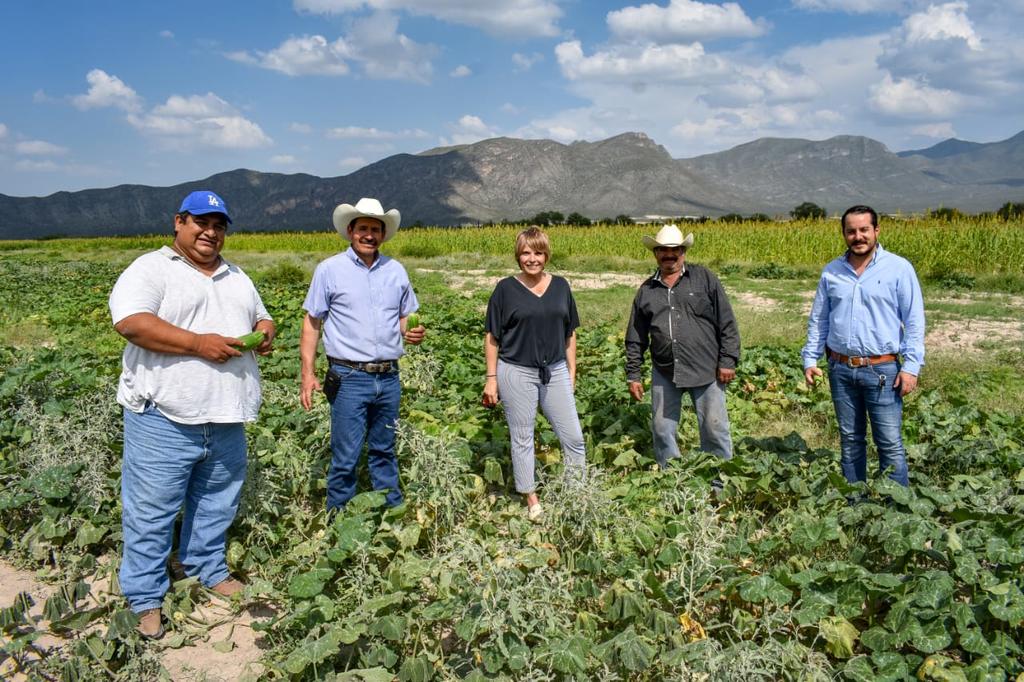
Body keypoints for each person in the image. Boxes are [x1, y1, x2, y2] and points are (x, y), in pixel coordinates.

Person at [109, 190, 276, 639]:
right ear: (178, 222)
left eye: (219, 225)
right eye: (201, 222)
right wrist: (200, 343)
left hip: (226, 414)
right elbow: (131, 323)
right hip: (164, 416)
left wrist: (264, 331)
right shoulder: (152, 268)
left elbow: (262, 317)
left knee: (217, 501)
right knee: (151, 510)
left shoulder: (236, 275)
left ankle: (205, 566)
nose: (210, 232)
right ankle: (145, 596)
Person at [299, 197, 424, 511]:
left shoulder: (395, 270)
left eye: (375, 230)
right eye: (363, 229)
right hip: (348, 377)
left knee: (385, 450)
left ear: (383, 234)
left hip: (389, 377)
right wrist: (307, 373)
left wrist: (411, 330)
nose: (369, 235)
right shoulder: (329, 270)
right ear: (350, 231)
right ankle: (339, 520)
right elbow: (312, 322)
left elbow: (405, 316)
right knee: (346, 457)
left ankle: (390, 515)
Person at [802, 204, 924, 487]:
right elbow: (819, 320)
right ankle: (855, 501)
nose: (858, 237)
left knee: (889, 442)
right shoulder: (832, 272)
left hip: (883, 370)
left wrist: (911, 367)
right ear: (844, 234)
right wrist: (810, 359)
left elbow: (914, 320)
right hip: (841, 369)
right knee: (850, 440)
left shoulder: (898, 268)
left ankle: (894, 505)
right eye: (851, 231)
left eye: (864, 230)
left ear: (876, 231)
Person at [482, 226, 587, 520]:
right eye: (526, 253)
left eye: (538, 253)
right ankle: (531, 498)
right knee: (522, 437)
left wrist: (572, 370)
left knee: (573, 437)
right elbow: (492, 337)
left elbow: (570, 333)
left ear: (546, 255)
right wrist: (491, 379)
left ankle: (578, 494)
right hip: (516, 371)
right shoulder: (505, 289)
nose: (532, 259)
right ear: (518, 256)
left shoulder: (561, 286)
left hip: (555, 370)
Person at [625, 224, 739, 468]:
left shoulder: (704, 278)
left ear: (683, 252)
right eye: (663, 250)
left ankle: (719, 478)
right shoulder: (647, 290)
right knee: (661, 429)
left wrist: (728, 360)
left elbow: (726, 320)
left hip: (706, 368)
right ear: (655, 253)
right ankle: (672, 479)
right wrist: (633, 374)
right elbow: (636, 336)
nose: (669, 255)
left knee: (714, 428)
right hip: (665, 370)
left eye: (674, 249)